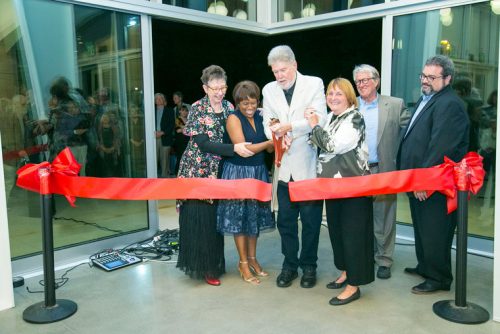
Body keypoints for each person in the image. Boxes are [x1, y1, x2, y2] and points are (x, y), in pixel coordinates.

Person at [397, 55, 469, 294]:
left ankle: (438, 278)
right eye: (423, 75)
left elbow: (441, 147)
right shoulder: (428, 98)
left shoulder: (450, 104)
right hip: (419, 180)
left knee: (435, 231)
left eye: (432, 77)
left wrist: (423, 181)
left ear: (448, 79)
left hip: (435, 184)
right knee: (422, 227)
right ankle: (425, 266)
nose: (425, 81)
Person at [176, 65, 254, 286]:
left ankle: (213, 265)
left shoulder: (229, 107)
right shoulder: (197, 109)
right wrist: (234, 149)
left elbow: (239, 131)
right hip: (196, 171)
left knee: (214, 221)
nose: (219, 92)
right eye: (215, 88)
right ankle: (202, 267)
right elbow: (203, 144)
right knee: (199, 219)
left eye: (223, 87)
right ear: (205, 88)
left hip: (219, 172)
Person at [262, 45, 326, 288]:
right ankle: (289, 265)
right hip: (283, 167)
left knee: (310, 222)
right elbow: (268, 121)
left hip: (307, 166)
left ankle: (309, 266)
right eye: (275, 71)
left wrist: (289, 128)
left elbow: (318, 118)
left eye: (283, 70)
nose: (279, 76)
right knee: (285, 222)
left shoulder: (314, 84)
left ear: (295, 65)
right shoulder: (269, 90)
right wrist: (277, 135)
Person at [305, 77, 374, 305]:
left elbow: (333, 145)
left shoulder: (355, 117)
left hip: (353, 188)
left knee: (353, 236)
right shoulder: (334, 117)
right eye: (330, 94)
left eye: (339, 94)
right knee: (337, 233)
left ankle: (354, 285)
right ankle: (345, 271)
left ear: (349, 97)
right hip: (334, 187)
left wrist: (314, 125)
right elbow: (317, 142)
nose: (333, 98)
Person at [353, 64, 410, 279]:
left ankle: (384, 260)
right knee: (359, 216)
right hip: (356, 172)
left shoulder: (394, 105)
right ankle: (365, 254)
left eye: (366, 80)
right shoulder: (350, 106)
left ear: (376, 81)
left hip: (383, 170)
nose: (362, 84)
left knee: (385, 217)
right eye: (358, 81)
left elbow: (412, 132)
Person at [216, 80, 275, 285]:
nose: (249, 108)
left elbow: (269, 150)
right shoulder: (233, 118)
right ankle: (242, 263)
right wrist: (269, 142)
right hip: (237, 172)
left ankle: (252, 259)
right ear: (237, 103)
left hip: (258, 171)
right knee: (239, 219)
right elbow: (245, 149)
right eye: (245, 104)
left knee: (254, 218)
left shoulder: (261, 116)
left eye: (253, 103)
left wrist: (274, 135)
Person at [154, 93, 175, 177]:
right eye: (156, 99)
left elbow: (171, 124)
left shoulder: (169, 110)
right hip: (154, 138)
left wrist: (162, 132)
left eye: (160, 98)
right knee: (154, 160)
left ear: (163, 100)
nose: (158, 100)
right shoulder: (151, 111)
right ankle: (153, 179)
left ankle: (164, 179)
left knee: (165, 161)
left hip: (165, 138)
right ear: (154, 101)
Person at [128, 104, 146, 177]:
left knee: (142, 161)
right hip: (131, 144)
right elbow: (127, 133)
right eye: (132, 111)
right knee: (133, 162)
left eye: (135, 111)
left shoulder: (142, 121)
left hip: (142, 144)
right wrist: (134, 142)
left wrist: (141, 141)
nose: (134, 113)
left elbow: (145, 132)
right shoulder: (128, 121)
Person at [173, 105, 190, 174]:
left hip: (188, 141)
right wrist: (186, 128)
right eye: (183, 110)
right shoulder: (177, 119)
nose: (184, 112)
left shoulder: (189, 120)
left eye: (186, 111)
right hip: (180, 142)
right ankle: (177, 173)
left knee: (187, 158)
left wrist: (183, 127)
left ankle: (185, 173)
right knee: (180, 157)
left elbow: (190, 130)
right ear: (179, 111)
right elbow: (178, 131)